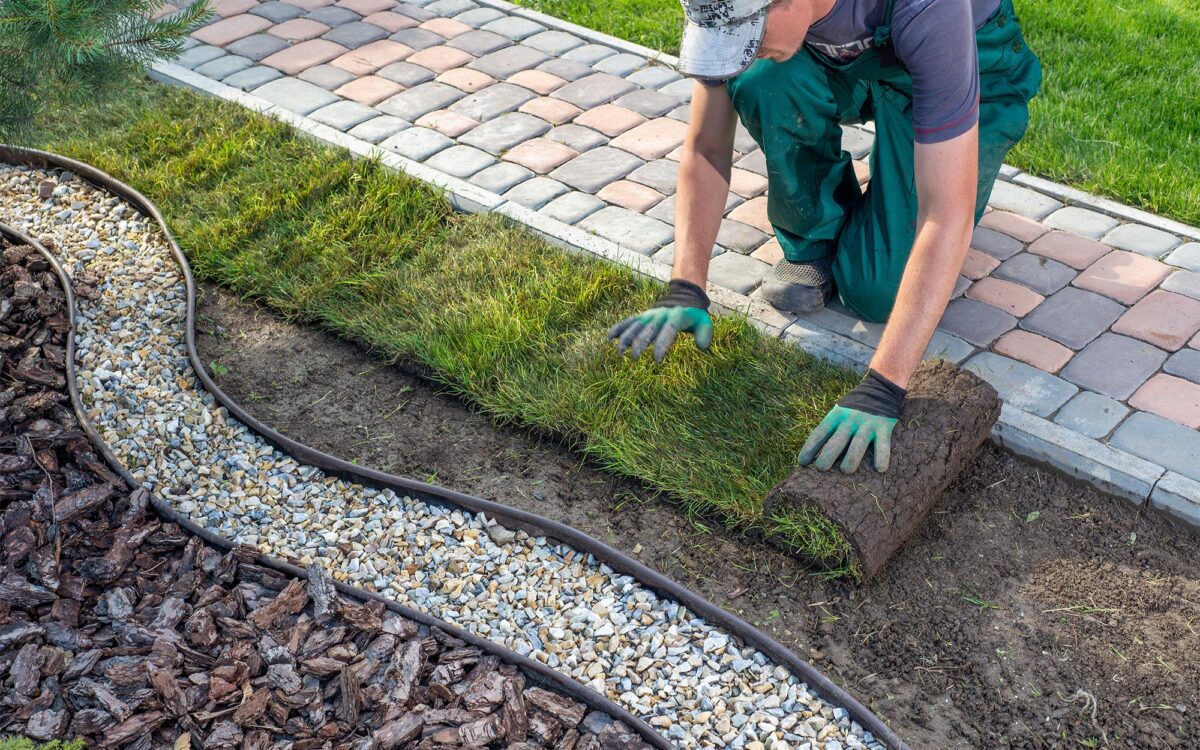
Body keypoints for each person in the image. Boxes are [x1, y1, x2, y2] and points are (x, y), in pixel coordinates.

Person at [608, 0, 1041, 474]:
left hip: (969, 55)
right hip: (847, 57)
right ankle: (817, 237)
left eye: (750, 36)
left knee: (879, 293)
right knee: (760, 78)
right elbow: (706, 146)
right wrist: (685, 286)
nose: (740, 50)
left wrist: (884, 386)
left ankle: (901, 183)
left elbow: (945, 214)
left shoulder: (930, 7)